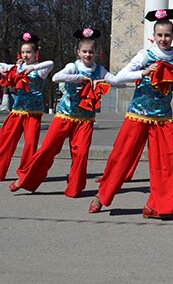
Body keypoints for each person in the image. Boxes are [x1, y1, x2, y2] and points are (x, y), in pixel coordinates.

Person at [88, 9, 173, 218]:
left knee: (171, 159)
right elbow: (119, 77)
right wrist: (144, 72)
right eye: (160, 35)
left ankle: (158, 205)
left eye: (167, 35)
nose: (163, 39)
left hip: (163, 118)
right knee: (122, 157)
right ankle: (102, 196)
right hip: (138, 114)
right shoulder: (145, 54)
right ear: (153, 36)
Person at [11, 28, 115, 197]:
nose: (88, 55)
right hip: (64, 116)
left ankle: (74, 188)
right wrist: (79, 78)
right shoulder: (73, 66)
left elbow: (117, 81)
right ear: (78, 52)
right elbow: (56, 77)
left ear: (96, 53)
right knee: (47, 149)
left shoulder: (100, 69)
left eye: (91, 52)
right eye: (84, 51)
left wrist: (111, 79)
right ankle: (24, 179)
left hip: (85, 120)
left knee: (81, 154)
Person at [0, 32, 54, 180]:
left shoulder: (41, 70)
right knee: (5, 141)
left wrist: (32, 68)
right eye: (23, 52)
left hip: (33, 113)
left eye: (29, 52)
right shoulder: (16, 67)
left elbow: (51, 63)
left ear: (36, 53)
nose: (25, 55)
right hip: (17, 111)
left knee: (30, 144)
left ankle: (25, 175)